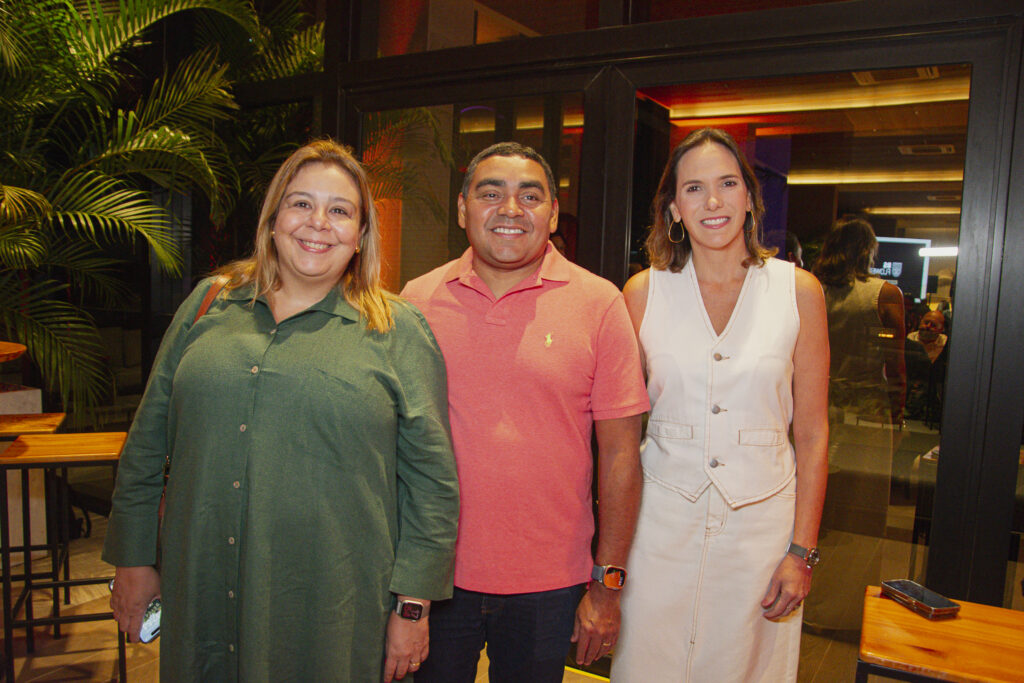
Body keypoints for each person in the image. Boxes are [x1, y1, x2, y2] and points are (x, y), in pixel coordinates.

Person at [102, 140, 459, 682]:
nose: (318, 223)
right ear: (272, 220)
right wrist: (131, 560)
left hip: (334, 613)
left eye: (340, 210)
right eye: (300, 203)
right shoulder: (207, 305)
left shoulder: (398, 331)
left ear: (360, 235)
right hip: (200, 592)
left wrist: (413, 607)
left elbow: (432, 484)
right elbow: (146, 444)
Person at [401, 142, 649, 682]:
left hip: (551, 584)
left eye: (529, 195)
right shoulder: (415, 303)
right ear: (464, 208)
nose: (510, 208)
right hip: (436, 578)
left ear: (553, 214)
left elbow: (621, 457)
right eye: (491, 193)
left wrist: (607, 587)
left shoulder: (599, 303)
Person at [611, 128, 830, 682]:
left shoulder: (798, 291)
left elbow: (812, 433)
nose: (713, 201)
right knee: (648, 665)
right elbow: (620, 429)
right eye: (694, 188)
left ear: (751, 200)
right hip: (658, 528)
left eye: (728, 183)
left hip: (761, 532)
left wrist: (801, 551)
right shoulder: (642, 293)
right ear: (672, 209)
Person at [806, 216, 905, 630]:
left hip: (815, 408)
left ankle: (807, 605)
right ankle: (849, 611)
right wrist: (899, 409)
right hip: (867, 413)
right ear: (867, 251)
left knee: (818, 513)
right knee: (861, 516)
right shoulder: (885, 294)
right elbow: (896, 361)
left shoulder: (809, 291)